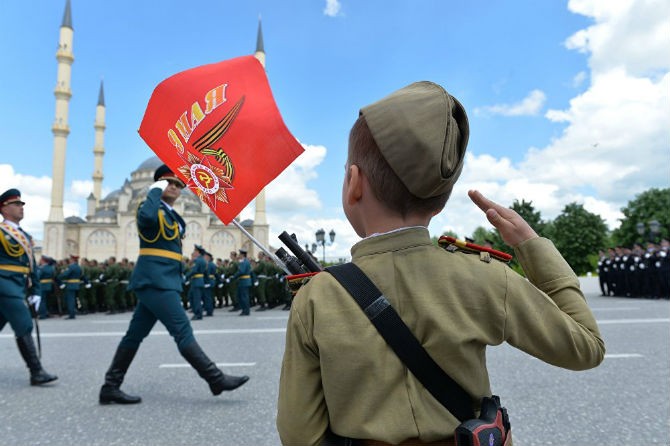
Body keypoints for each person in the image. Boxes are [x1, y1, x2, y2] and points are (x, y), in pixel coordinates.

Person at [276, 82, 605, 445]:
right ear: (441, 201)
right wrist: (532, 246)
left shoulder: (316, 297)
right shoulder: (484, 277)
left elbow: (298, 433)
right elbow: (586, 347)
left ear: (353, 183)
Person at [98, 165, 249, 405]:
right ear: (158, 184)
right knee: (182, 330)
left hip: (163, 280)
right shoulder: (148, 208)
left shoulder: (170, 214)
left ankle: (110, 386)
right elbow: (147, 218)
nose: (176, 188)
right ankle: (215, 378)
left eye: (179, 185)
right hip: (155, 281)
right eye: (170, 183)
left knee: (134, 336)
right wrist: (154, 189)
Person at [0, 188, 58, 386]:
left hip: (19, 285)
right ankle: (36, 371)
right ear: (4, 209)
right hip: (4, 285)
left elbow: (31, 265)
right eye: (16, 205)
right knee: (24, 324)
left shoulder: (23, 235)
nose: (20, 208)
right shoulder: (1, 232)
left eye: (21, 204)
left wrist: (36, 291)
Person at [57, 254, 83, 319]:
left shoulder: (71, 267)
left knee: (70, 300)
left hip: (70, 285)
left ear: (72, 260)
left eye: (70, 259)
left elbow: (66, 274)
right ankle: (73, 312)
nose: (69, 260)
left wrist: (59, 277)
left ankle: (71, 314)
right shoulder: (78, 267)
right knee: (73, 299)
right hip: (76, 284)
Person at [230, 248, 252, 316]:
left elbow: (241, 271)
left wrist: (234, 276)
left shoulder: (244, 262)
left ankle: (245, 311)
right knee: (242, 296)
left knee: (243, 297)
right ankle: (245, 310)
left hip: (244, 281)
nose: (239, 255)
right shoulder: (244, 261)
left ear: (242, 255)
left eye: (240, 254)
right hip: (243, 281)